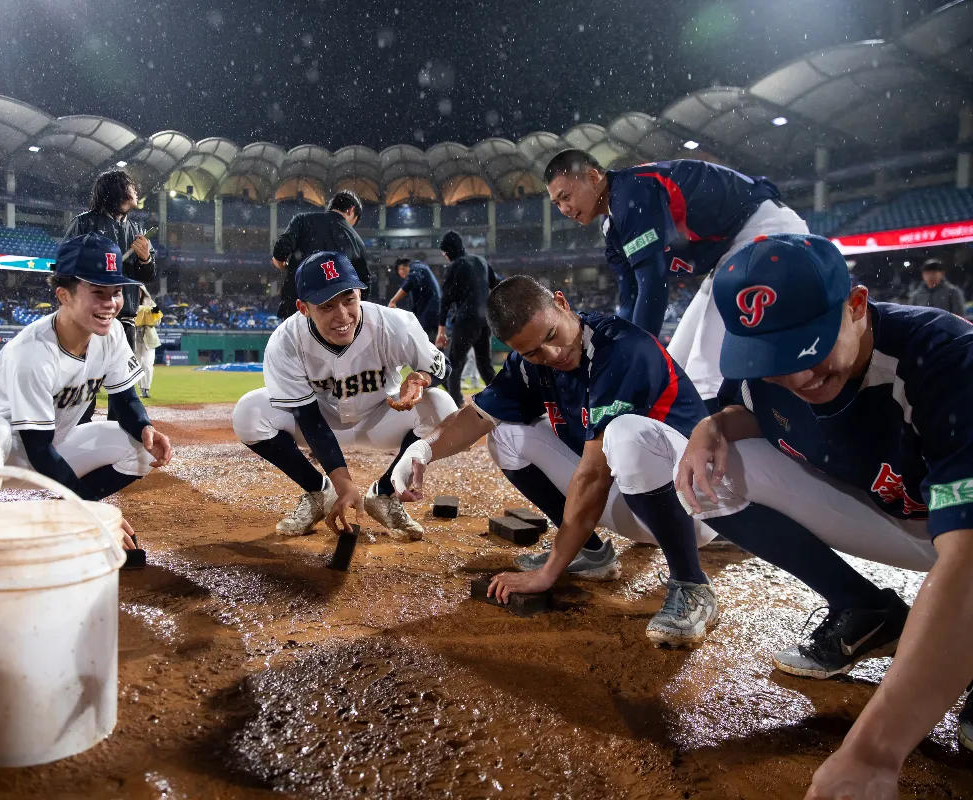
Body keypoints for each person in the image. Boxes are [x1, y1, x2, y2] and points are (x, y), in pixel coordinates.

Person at [662, 233, 973, 794]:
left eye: (806, 348)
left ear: (856, 306)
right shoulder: (770, 369)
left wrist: (875, 753)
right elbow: (751, 409)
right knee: (715, 476)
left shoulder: (943, 354)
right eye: (772, 357)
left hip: (960, 528)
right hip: (906, 514)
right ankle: (865, 608)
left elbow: (970, 555)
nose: (797, 377)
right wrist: (713, 427)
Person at [392, 275, 725, 646]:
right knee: (505, 435)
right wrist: (422, 449)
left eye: (551, 336)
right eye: (533, 351)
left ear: (563, 304)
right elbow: (476, 417)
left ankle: (691, 582)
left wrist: (549, 573)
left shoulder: (621, 349)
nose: (550, 355)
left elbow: (594, 476)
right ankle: (590, 553)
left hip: (696, 506)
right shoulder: (528, 365)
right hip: (636, 504)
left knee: (625, 435)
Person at [0, 234, 173, 549]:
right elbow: (36, 449)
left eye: (117, 292)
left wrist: (144, 426)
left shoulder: (113, 334)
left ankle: (59, 515)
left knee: (137, 449)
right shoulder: (32, 352)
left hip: (53, 449)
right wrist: (92, 512)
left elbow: (126, 400)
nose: (110, 303)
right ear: (64, 295)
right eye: (98, 292)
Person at [543, 149, 807, 408]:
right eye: (557, 203)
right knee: (678, 363)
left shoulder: (631, 192)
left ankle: (714, 443)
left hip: (766, 230)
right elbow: (630, 297)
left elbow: (653, 286)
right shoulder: (612, 227)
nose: (564, 209)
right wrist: (617, 354)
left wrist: (635, 360)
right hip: (734, 250)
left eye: (566, 196)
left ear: (592, 178)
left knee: (706, 371)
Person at [233, 250, 456, 541]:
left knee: (442, 407)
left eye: (349, 299)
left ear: (359, 293)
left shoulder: (395, 324)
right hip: (321, 420)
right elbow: (308, 418)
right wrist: (342, 484)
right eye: (326, 306)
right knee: (249, 412)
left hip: (380, 417)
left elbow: (442, 367)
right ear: (303, 307)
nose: (342, 315)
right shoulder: (286, 341)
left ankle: (385, 494)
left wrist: (421, 377)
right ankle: (317, 492)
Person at [64, 169, 156, 354]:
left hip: (126, 323)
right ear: (118, 190)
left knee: (127, 383)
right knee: (86, 381)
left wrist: (145, 259)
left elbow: (147, 276)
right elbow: (65, 266)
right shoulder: (84, 224)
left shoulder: (137, 230)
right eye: (131, 186)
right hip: (92, 321)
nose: (136, 190)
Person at [272, 190, 371, 319]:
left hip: (297, 307)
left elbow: (281, 250)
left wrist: (283, 264)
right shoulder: (356, 241)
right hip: (334, 316)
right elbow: (364, 283)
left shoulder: (303, 220)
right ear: (351, 210)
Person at [435, 231, 498, 406]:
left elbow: (445, 300)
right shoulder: (481, 261)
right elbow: (497, 285)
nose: (444, 256)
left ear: (449, 251)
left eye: (444, 252)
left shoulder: (454, 266)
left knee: (454, 365)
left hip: (466, 320)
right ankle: (502, 399)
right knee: (485, 365)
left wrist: (441, 330)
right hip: (485, 321)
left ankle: (456, 405)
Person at [387, 257, 441, 341]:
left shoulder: (416, 268)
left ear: (400, 269)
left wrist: (393, 301)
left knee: (427, 345)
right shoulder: (421, 269)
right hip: (433, 314)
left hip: (430, 314)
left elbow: (411, 281)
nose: (403, 278)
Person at [134, 286, 163, 399]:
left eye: (140, 290)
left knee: (147, 363)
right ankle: (140, 388)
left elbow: (158, 320)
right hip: (134, 337)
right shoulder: (128, 303)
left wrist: (147, 314)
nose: (138, 293)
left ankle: (146, 388)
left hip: (149, 337)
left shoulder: (151, 303)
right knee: (137, 364)